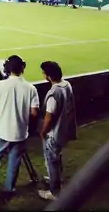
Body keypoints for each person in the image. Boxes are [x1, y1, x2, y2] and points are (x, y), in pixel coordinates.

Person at [0, 55, 39, 200]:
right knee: (14, 162)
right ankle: (9, 189)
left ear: (7, 69)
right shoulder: (31, 88)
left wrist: (2, 107)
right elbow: (34, 112)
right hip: (20, 133)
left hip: (1, 132)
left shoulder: (0, 85)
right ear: (22, 69)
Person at [38, 61, 77, 201]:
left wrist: (43, 131)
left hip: (54, 133)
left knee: (51, 161)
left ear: (48, 76)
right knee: (57, 157)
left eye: (43, 72)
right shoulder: (66, 84)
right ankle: (56, 178)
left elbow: (49, 116)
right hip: (64, 130)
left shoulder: (54, 93)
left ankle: (55, 192)